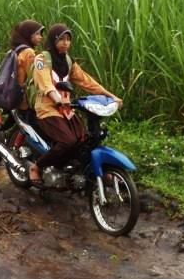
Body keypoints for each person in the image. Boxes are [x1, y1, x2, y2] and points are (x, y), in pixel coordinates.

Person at [27, 23, 120, 184]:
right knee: (67, 141)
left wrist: (111, 96)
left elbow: (87, 81)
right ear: (53, 40)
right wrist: (58, 99)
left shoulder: (68, 61)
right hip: (47, 108)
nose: (65, 43)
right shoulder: (41, 59)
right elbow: (45, 84)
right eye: (61, 39)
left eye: (68, 39)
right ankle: (36, 166)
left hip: (66, 108)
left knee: (84, 139)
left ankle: (92, 170)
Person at [9, 19, 44, 120]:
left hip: (16, 93)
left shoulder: (17, 49)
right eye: (37, 34)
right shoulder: (29, 52)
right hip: (25, 97)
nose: (40, 37)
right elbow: (32, 76)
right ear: (28, 34)